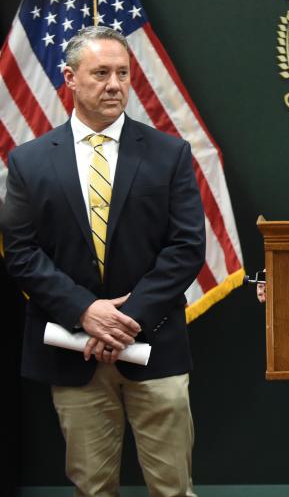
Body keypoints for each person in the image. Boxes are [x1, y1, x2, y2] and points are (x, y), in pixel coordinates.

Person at [1, 26, 205, 496]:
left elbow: (187, 246)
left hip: (154, 344)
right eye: (101, 73)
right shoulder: (29, 161)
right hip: (71, 347)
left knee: (173, 488)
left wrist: (123, 320)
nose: (115, 84)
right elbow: (23, 252)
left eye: (123, 73)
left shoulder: (169, 154)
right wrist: (86, 313)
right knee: (92, 489)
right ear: (70, 78)